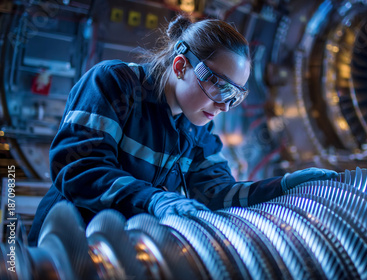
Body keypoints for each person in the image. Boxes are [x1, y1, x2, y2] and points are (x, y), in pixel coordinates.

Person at [28, 14, 337, 246]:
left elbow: (219, 196)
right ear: (180, 67)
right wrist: (154, 200)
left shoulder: (198, 133)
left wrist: (282, 186)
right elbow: (78, 166)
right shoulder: (115, 84)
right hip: (63, 241)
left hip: (116, 253)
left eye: (235, 95)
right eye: (219, 86)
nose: (224, 106)